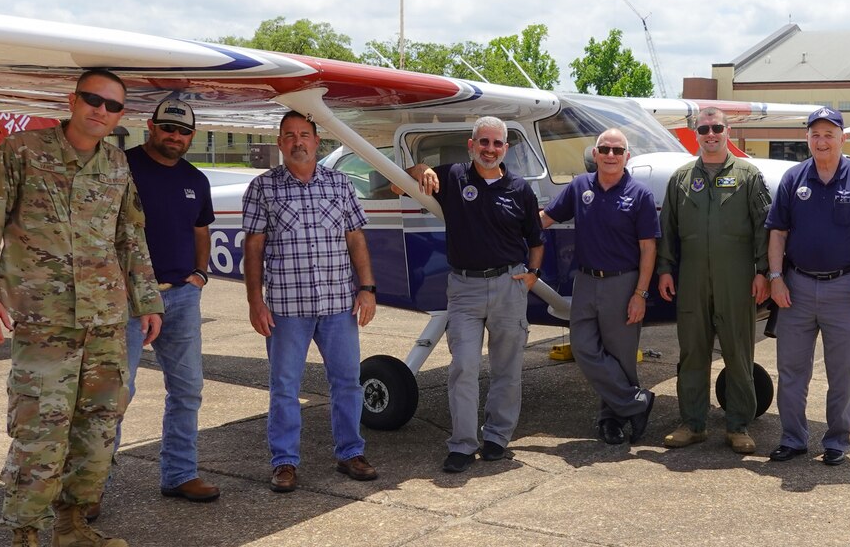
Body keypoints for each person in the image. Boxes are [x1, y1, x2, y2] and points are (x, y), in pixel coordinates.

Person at [0, 69, 164, 547]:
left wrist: (148, 303)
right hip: (44, 322)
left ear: (121, 116)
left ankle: (72, 529)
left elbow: (130, 237)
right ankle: (24, 545)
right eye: (93, 99)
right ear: (72, 100)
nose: (101, 110)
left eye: (113, 106)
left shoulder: (117, 164)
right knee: (39, 433)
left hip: (105, 322)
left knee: (97, 431)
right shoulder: (22, 152)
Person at [242, 110, 379, 493]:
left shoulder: (340, 184)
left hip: (338, 304)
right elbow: (253, 247)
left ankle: (350, 452)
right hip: (286, 307)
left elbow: (355, 237)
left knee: (347, 383)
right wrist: (255, 300)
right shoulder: (262, 188)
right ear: (280, 143)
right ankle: (284, 462)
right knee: (284, 386)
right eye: (289, 135)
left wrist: (367, 288)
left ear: (318, 142)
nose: (297, 141)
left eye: (304, 134)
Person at [406, 116, 544, 473]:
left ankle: (497, 437)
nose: (490, 149)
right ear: (472, 145)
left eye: (497, 144)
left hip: (509, 286)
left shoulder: (520, 189)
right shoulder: (452, 177)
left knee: (506, 368)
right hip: (464, 288)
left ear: (506, 149)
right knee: (464, 365)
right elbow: (399, 183)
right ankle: (463, 445)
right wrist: (422, 169)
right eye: (484, 142)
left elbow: (536, 240)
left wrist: (532, 275)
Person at [106, 98, 219, 513]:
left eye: (183, 131)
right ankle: (93, 488)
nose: (175, 137)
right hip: (130, 297)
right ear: (151, 127)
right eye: (167, 128)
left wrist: (200, 274)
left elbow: (200, 230)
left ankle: (180, 474)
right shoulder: (120, 165)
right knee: (116, 391)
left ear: (192, 137)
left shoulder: (196, 179)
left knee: (188, 389)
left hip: (182, 295)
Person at [765, 107, 850, 466]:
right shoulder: (793, 179)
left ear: (842, 138)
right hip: (797, 288)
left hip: (848, 289)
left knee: (844, 373)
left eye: (829, 134)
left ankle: (836, 441)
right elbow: (778, 233)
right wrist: (776, 279)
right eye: (815, 135)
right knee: (791, 371)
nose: (822, 141)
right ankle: (792, 439)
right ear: (807, 138)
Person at [656, 108, 771, 454]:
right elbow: (668, 230)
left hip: (736, 278)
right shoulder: (680, 179)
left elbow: (763, 228)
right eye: (703, 128)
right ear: (696, 133)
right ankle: (692, 423)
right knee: (693, 351)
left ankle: (738, 425)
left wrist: (764, 272)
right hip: (691, 278)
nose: (710, 133)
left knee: (738, 351)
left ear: (727, 131)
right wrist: (664, 268)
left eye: (716, 127)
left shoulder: (749, 175)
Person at [540, 129, 658, 445]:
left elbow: (648, 249)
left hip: (623, 283)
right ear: (595, 153)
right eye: (604, 149)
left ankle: (611, 421)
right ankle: (638, 403)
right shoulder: (580, 186)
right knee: (583, 348)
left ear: (627, 157)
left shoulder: (640, 194)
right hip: (586, 281)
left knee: (621, 358)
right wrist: (506, 229)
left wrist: (640, 294)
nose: (610, 155)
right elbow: (546, 218)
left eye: (617, 150)